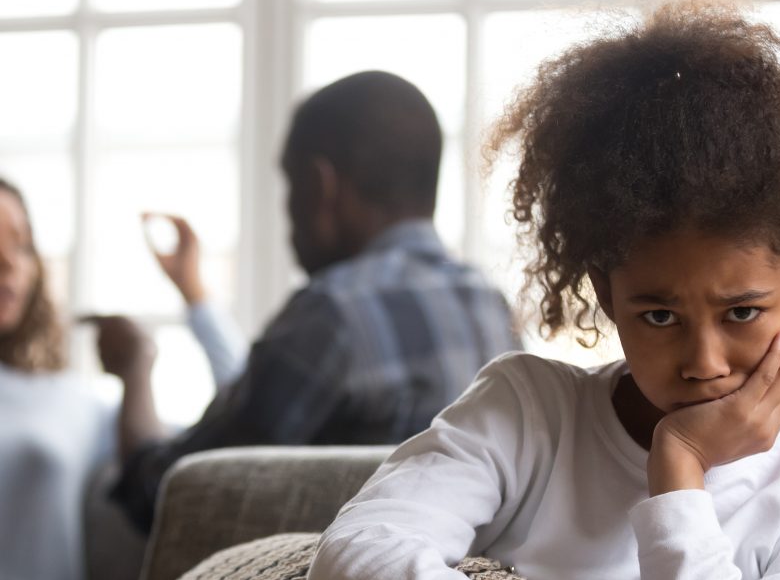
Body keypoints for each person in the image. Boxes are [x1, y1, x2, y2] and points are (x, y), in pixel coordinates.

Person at [306, 0, 780, 580]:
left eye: (743, 313)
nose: (704, 361)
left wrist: (680, 470)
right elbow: (356, 554)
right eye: (659, 314)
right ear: (606, 295)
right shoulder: (529, 409)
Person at [103, 70, 521, 533]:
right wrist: (196, 295)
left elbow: (170, 495)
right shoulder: (491, 308)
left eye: (290, 186)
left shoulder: (331, 314)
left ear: (321, 186)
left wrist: (135, 370)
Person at [0, 176, 243, 580]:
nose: (8, 260)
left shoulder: (72, 402)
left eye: (21, 243)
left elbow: (243, 420)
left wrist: (191, 299)